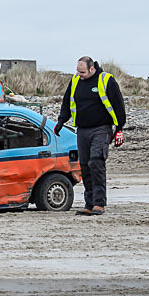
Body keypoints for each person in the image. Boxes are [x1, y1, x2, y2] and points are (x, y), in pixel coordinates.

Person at [54, 56, 126, 216]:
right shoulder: (75, 81)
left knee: (96, 162)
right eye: (78, 71)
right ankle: (89, 203)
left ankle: (99, 204)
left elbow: (118, 105)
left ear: (92, 68)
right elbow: (67, 102)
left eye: (83, 72)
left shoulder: (106, 80)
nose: (79, 74)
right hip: (82, 130)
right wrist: (60, 121)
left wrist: (119, 128)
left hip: (101, 128)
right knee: (85, 166)